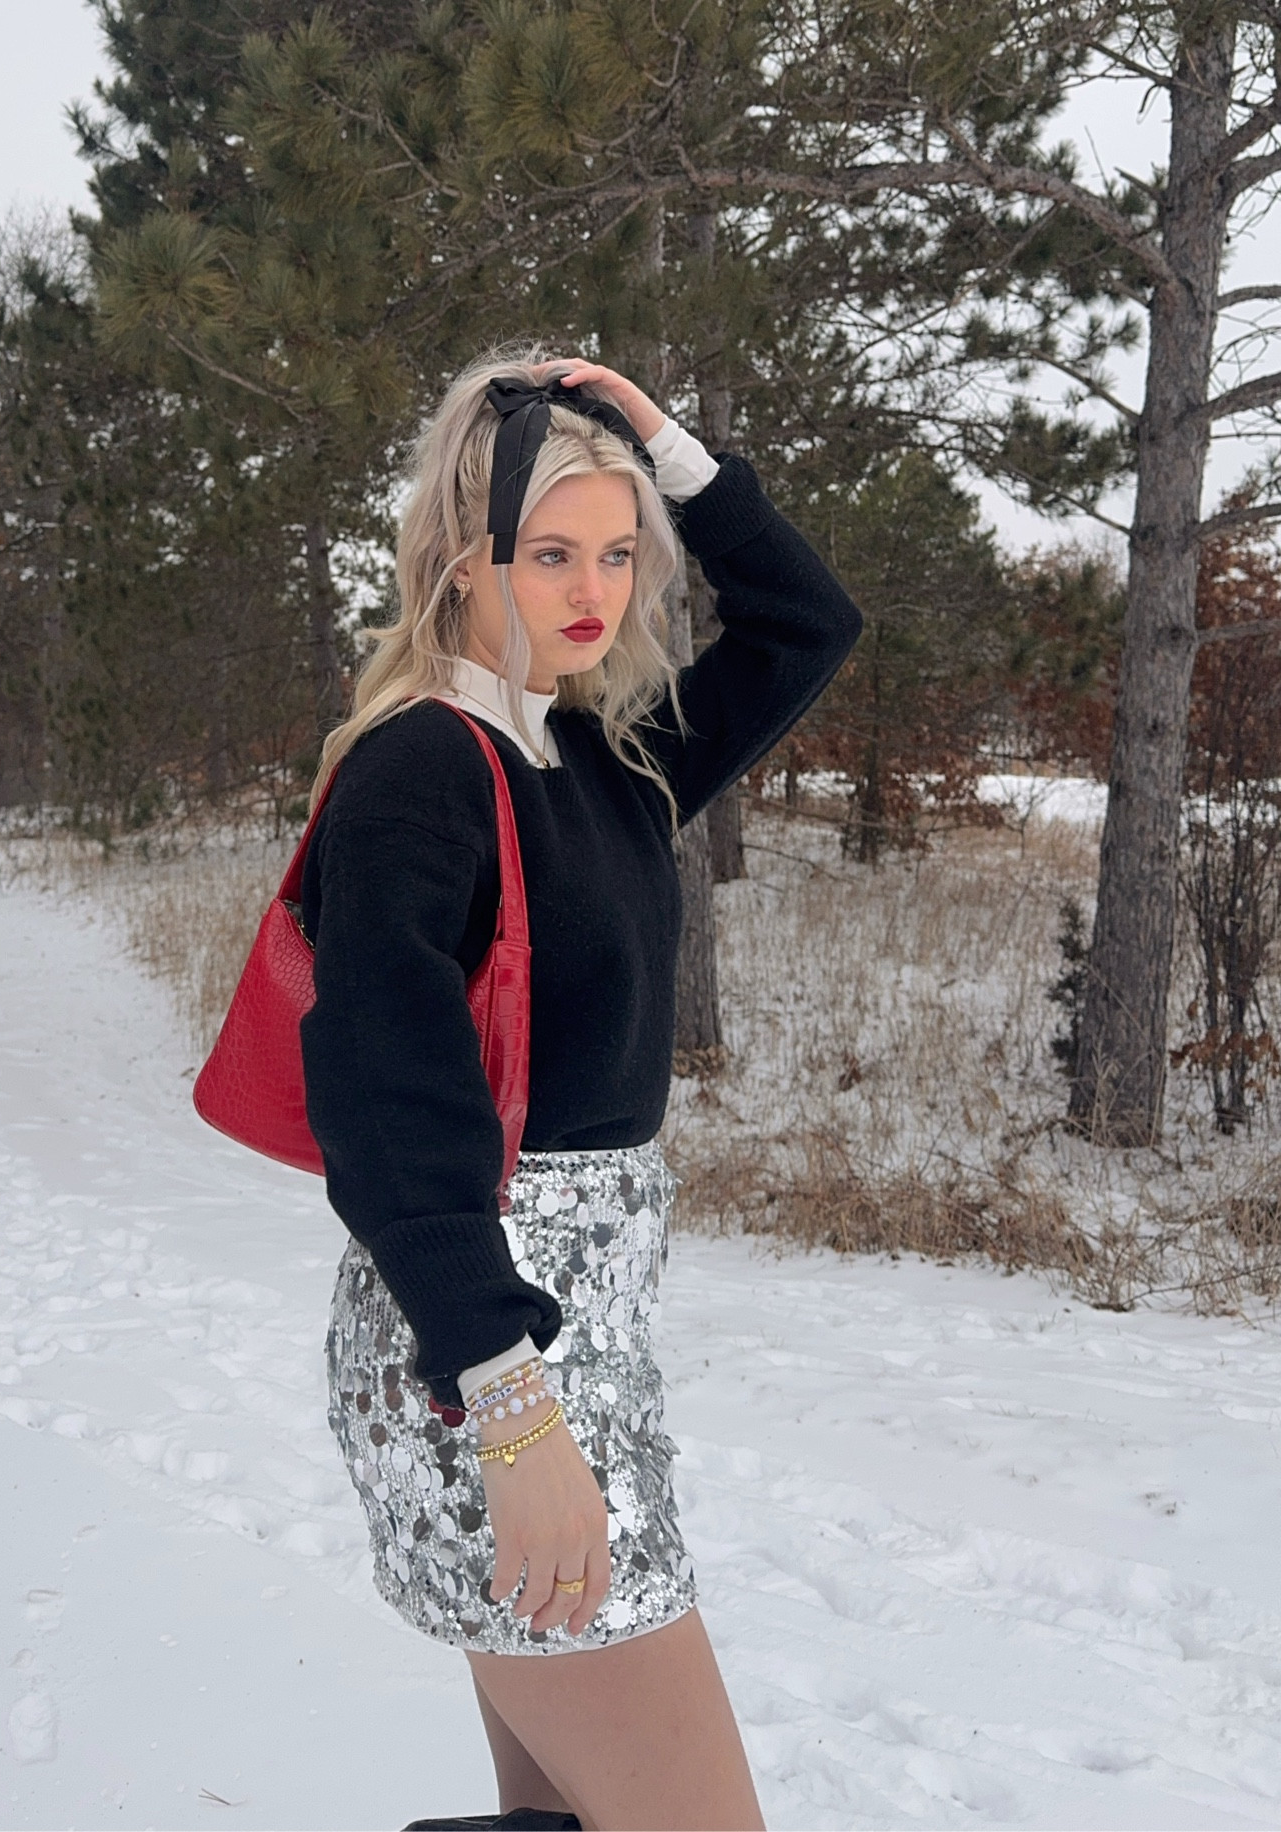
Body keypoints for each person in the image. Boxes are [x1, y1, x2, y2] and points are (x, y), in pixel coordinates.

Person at [297, 348, 862, 1831]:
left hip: (582, 1355)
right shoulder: (420, 768)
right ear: (463, 558)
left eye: (617, 554)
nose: (591, 590)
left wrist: (663, 440)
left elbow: (811, 622)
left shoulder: (610, 754)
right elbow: (386, 1107)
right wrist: (511, 1412)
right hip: (484, 1366)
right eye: (551, 553)